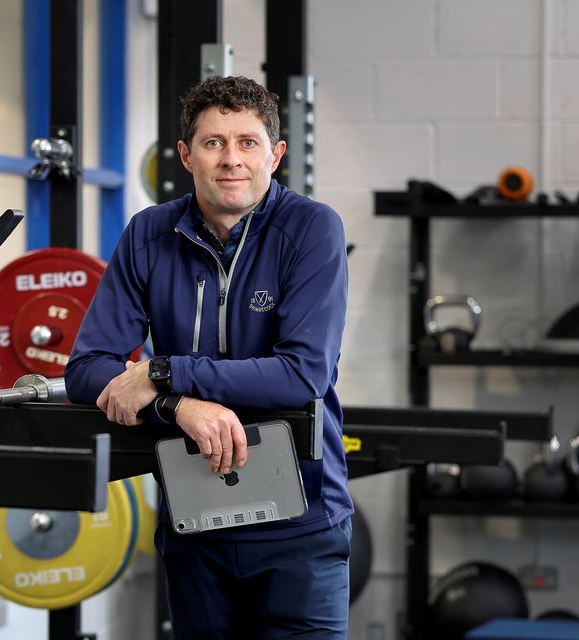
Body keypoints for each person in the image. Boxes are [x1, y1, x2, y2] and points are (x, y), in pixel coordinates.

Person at [65, 75, 352, 639]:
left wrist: (162, 371)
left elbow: (302, 375)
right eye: (213, 142)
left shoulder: (312, 229)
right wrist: (178, 407)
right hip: (196, 526)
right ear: (185, 155)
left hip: (302, 529)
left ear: (276, 154)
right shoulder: (148, 235)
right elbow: (86, 369)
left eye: (247, 142)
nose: (231, 160)